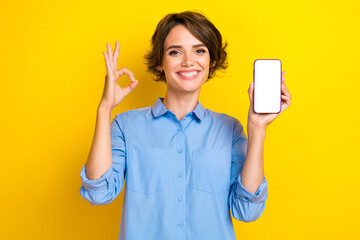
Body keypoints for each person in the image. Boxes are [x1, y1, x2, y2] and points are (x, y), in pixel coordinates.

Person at [79, 11, 291, 240]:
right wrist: (104, 109)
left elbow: (247, 210)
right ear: (160, 62)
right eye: (175, 52)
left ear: (212, 61)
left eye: (199, 50)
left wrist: (257, 128)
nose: (188, 61)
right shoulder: (126, 126)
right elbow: (99, 193)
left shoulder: (230, 130)